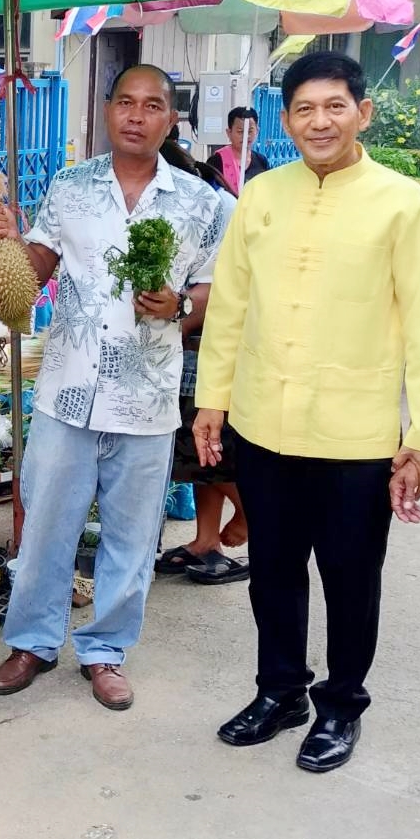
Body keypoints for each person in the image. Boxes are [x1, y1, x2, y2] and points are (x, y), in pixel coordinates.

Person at [193, 52, 420, 772]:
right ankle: (280, 692)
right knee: (273, 569)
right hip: (263, 421)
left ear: (362, 113)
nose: (320, 121)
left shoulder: (401, 202)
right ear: (286, 121)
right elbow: (232, 309)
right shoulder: (262, 196)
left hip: (356, 433)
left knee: (349, 577)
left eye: (335, 106)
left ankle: (341, 707)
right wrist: (213, 399)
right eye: (305, 109)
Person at [0, 64, 224, 711]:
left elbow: (214, 293)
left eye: (153, 105)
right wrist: (7, 243)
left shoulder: (201, 204)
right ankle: (32, 641)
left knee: (132, 538)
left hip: (146, 401)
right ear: (108, 110)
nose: (137, 115)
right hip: (67, 389)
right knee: (45, 530)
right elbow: (35, 272)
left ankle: (106, 651)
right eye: (126, 102)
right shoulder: (70, 186)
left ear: (170, 120)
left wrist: (177, 305)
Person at [157, 130, 248, 584]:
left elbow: (213, 296)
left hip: (211, 344)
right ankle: (206, 539)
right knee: (199, 453)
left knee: (205, 444)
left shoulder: (216, 208)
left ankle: (251, 515)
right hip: (189, 339)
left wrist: (167, 320)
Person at [209, 106, 270, 197]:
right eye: (240, 131)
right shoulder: (216, 161)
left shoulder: (261, 161)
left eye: (250, 131)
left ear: (257, 131)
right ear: (229, 133)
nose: (246, 136)